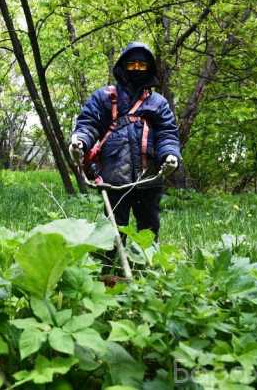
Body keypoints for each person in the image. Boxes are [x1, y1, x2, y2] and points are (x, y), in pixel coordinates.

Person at [70, 41, 181, 268]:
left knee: (148, 232)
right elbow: (89, 124)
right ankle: (109, 274)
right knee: (111, 232)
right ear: (123, 66)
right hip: (113, 180)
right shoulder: (104, 97)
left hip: (149, 180)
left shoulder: (158, 103)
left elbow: (168, 134)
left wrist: (170, 156)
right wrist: (80, 141)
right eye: (132, 64)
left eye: (142, 65)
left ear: (149, 68)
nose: (137, 69)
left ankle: (145, 272)